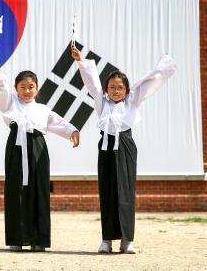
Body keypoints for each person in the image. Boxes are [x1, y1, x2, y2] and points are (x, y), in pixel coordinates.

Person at [71, 45, 176, 254]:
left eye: (120, 87)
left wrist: (162, 68)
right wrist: (80, 60)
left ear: (126, 90)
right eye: (112, 87)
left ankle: (127, 240)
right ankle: (106, 239)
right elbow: (92, 83)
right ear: (107, 89)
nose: (116, 90)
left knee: (126, 192)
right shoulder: (101, 101)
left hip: (126, 145)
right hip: (106, 147)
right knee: (107, 191)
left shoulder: (132, 101)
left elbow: (149, 84)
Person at [0, 46, 80, 252]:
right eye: (22, 87)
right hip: (16, 148)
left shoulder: (42, 109)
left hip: (38, 149)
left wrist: (72, 131)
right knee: (15, 191)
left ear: (36, 88)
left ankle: (39, 240)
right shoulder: (9, 103)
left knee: (39, 192)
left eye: (31, 86)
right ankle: (17, 238)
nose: (27, 90)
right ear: (16, 88)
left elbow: (58, 123)